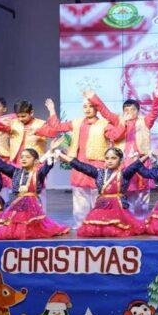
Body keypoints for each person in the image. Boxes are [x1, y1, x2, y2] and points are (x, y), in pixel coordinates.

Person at [44, 92, 114, 226]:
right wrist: (52, 110)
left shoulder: (105, 124)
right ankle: (81, 225)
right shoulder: (77, 122)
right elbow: (58, 127)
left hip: (97, 164)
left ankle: (100, 223)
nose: (87, 109)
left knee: (98, 195)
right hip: (79, 164)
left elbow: (116, 136)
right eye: (85, 107)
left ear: (97, 108)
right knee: (79, 195)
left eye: (91, 106)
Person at [0, 146, 70, 239]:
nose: (24, 159)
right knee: (10, 226)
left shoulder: (38, 173)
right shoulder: (15, 172)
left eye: (28, 157)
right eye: (22, 157)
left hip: (31, 206)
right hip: (16, 203)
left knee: (31, 227)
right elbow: (0, 164)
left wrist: (51, 152)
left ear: (35, 161)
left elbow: (47, 166)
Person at [59, 147, 145, 237]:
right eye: (107, 158)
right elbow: (80, 166)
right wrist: (61, 155)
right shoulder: (99, 173)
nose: (110, 161)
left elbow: (136, 164)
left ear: (120, 160)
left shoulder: (124, 174)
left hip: (118, 207)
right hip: (102, 205)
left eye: (113, 158)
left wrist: (148, 155)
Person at [105, 94, 158, 215]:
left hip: (141, 161)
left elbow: (155, 112)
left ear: (138, 111)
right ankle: (128, 218)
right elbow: (106, 114)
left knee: (142, 193)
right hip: (124, 163)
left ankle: (141, 218)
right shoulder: (118, 122)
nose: (129, 113)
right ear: (123, 112)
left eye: (133, 110)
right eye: (126, 110)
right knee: (125, 191)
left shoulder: (144, 122)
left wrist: (157, 96)